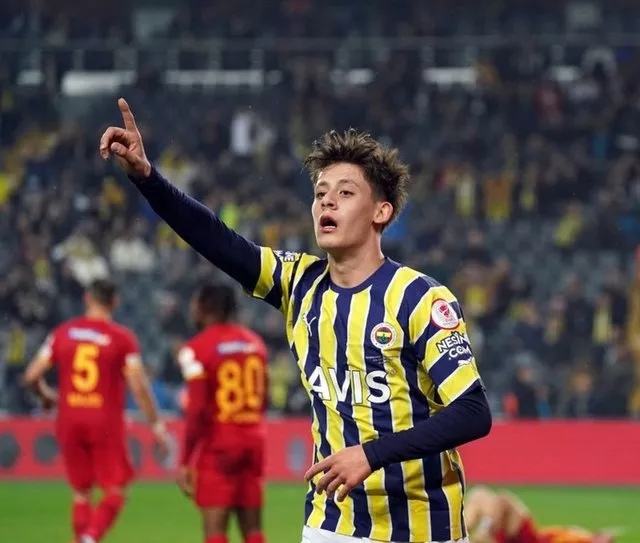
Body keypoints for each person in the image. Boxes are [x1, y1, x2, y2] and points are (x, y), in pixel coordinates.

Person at [100, 98, 492, 543]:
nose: (327, 201)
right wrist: (147, 178)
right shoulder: (298, 282)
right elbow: (216, 239)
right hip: (331, 523)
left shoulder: (420, 298)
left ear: (381, 212)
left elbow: (473, 412)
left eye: (345, 193)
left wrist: (371, 454)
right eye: (320, 193)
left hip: (424, 528)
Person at [22, 279, 170, 543]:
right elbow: (138, 386)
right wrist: (156, 425)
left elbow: (32, 375)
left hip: (69, 418)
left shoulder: (63, 333)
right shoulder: (121, 339)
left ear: (87, 299)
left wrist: (46, 396)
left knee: (81, 493)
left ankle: (82, 538)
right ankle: (90, 537)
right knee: (116, 489)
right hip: (104, 422)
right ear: (115, 303)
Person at [176, 282, 269, 543]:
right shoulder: (255, 344)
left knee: (216, 532)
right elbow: (264, 397)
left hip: (219, 445)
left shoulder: (196, 349)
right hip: (253, 440)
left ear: (204, 307)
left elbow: (196, 411)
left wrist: (185, 461)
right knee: (253, 531)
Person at [465, 486, 616, 543]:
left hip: (532, 541)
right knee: (479, 494)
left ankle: (484, 532)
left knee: (504, 500)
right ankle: (460, 537)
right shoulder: (579, 535)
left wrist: (600, 538)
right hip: (526, 537)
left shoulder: (583, 538)